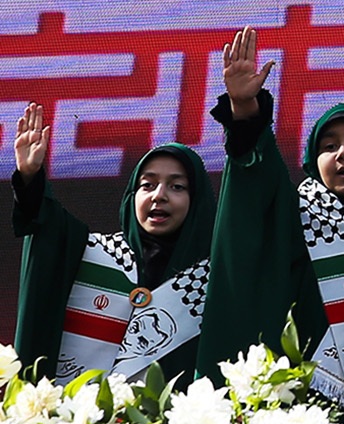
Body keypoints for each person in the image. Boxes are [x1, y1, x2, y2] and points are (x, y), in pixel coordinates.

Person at [195, 26, 344, 399]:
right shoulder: (295, 217)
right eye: (329, 146)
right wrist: (245, 110)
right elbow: (257, 177)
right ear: (311, 161)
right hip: (305, 401)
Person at [10, 102, 215, 383]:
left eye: (177, 186)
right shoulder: (93, 253)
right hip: (80, 410)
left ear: (197, 201)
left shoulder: (213, 278)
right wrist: (30, 177)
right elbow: (47, 226)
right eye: (147, 184)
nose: (159, 195)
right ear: (132, 196)